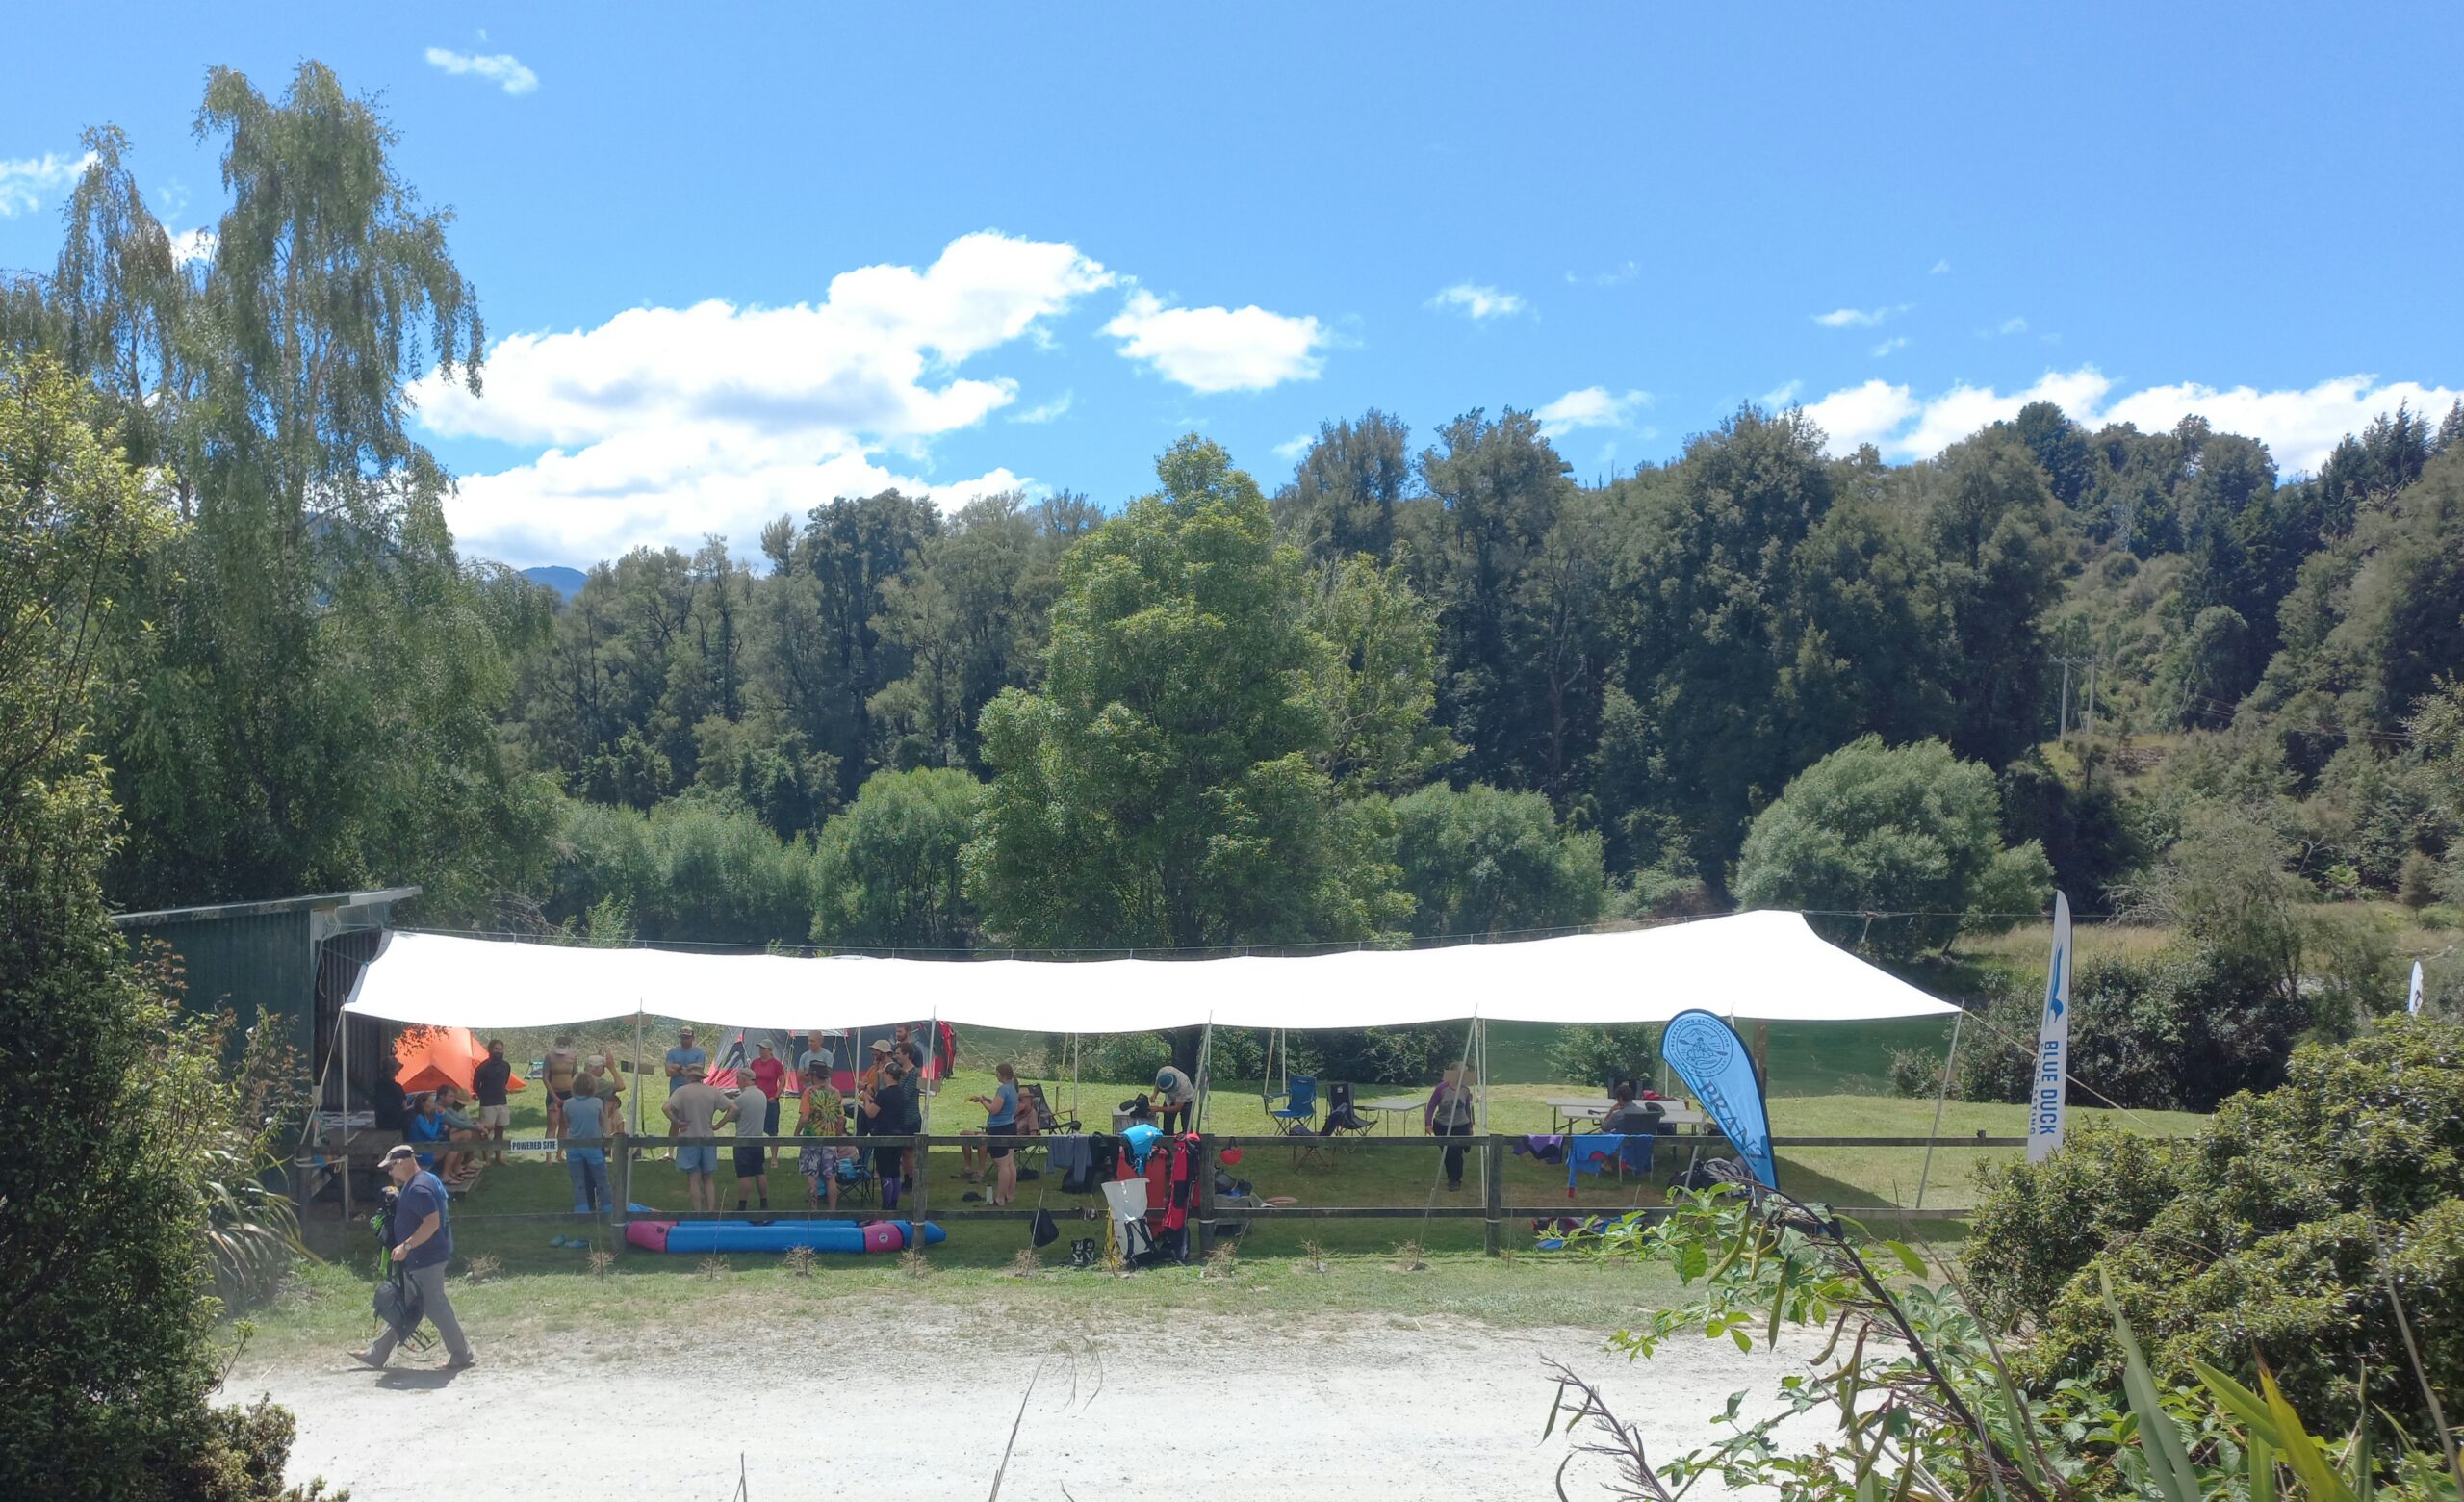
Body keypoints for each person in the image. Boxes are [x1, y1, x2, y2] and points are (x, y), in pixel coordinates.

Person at [346, 1144, 473, 1371]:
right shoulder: (426, 1179)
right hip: (426, 1256)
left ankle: (460, 1353)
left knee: (435, 1305)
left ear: (402, 1162)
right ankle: (377, 1354)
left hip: (426, 1258)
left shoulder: (419, 1189)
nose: (389, 1173)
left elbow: (432, 1222)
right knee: (404, 1306)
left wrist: (406, 1245)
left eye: (391, 1167)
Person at [858, 1051, 920, 1211]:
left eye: (884, 1074)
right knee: (894, 1172)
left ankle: (886, 1205)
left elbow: (871, 1113)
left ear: (889, 1075)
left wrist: (865, 1100)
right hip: (899, 1134)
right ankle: (894, 1204)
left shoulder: (884, 1094)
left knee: (885, 1172)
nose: (883, 1077)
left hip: (884, 1135)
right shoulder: (900, 1094)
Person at [663, 1061, 726, 1213]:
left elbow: (665, 1108)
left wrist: (677, 1122)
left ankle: (697, 1211)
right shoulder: (713, 1091)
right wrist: (718, 1125)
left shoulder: (682, 1092)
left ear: (689, 1076)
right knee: (708, 1178)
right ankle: (711, 1210)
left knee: (693, 1178)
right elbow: (733, 1108)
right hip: (708, 1137)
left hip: (688, 1137)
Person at [967, 1063, 1020, 1207]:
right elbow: (1003, 1106)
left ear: (1002, 1075)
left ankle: (1000, 1199)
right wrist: (990, 1100)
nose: (996, 1076)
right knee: (1010, 1163)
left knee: (1002, 1165)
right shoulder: (1013, 1088)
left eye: (997, 1073)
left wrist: (982, 1101)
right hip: (1011, 1127)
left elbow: (994, 1110)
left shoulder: (1003, 1089)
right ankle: (1010, 1195)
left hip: (1000, 1129)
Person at [797, 1080, 852, 1211]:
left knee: (812, 1176)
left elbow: (804, 1118)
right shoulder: (836, 1092)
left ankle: (813, 1210)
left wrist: (796, 1133)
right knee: (830, 1176)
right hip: (830, 1139)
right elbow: (840, 1120)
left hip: (811, 1138)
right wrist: (837, 1136)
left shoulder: (810, 1092)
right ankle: (832, 1212)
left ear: (814, 1075)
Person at [1424, 1062, 1478, 1192]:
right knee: (1447, 1153)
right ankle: (1451, 1176)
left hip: (1461, 1125)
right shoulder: (1441, 1088)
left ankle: (1455, 1180)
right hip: (1442, 1125)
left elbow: (1467, 1108)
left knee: (1456, 1153)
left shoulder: (1465, 1090)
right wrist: (1428, 1124)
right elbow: (1431, 1105)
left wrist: (1470, 1126)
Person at [563, 1075, 613, 1214]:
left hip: (573, 1146)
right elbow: (602, 1121)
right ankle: (608, 1208)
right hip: (593, 1146)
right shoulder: (597, 1102)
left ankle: (581, 1209)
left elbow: (567, 1123)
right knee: (602, 1179)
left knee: (578, 1181)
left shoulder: (567, 1103)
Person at [723, 1078, 770, 1213]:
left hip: (743, 1141)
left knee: (744, 1175)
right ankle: (764, 1203)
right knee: (760, 1172)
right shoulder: (762, 1095)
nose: (737, 1083)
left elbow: (730, 1116)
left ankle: (742, 1206)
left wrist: (717, 1125)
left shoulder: (741, 1098)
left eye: (738, 1081)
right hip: (758, 1140)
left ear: (745, 1080)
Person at [473, 1039, 513, 1165]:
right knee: (485, 1132)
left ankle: (499, 1157)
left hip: (502, 1102)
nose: (498, 1051)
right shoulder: (482, 1067)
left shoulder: (506, 1066)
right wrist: (484, 1096)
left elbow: (505, 1082)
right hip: (488, 1104)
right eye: (496, 1049)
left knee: (500, 1130)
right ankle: (487, 1159)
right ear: (490, 1050)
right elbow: (475, 1086)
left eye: (500, 1049)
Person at [750, 1040, 787, 1164]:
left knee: (772, 1131)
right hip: (756, 1100)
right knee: (756, 1129)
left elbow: (782, 1080)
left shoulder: (776, 1064)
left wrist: (776, 1096)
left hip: (770, 1101)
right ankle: (756, 1156)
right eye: (760, 1048)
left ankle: (774, 1158)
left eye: (764, 1048)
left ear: (770, 1050)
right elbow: (751, 1079)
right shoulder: (755, 1063)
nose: (761, 1050)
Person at [543, 1034, 580, 1155]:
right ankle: (548, 1156)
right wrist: (554, 1097)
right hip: (554, 1093)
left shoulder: (573, 1057)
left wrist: (574, 1095)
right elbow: (545, 1077)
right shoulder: (549, 1057)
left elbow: (575, 1075)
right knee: (552, 1125)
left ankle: (559, 1153)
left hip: (568, 1094)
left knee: (564, 1125)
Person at [1151, 1064, 1197, 1135]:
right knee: (1168, 1123)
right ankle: (1168, 1138)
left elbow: (1177, 1108)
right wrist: (1154, 1095)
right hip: (1170, 1099)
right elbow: (1158, 1083)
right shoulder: (1162, 1071)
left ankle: (1189, 1139)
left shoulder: (1182, 1086)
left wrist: (1158, 1109)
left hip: (1187, 1099)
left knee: (1186, 1125)